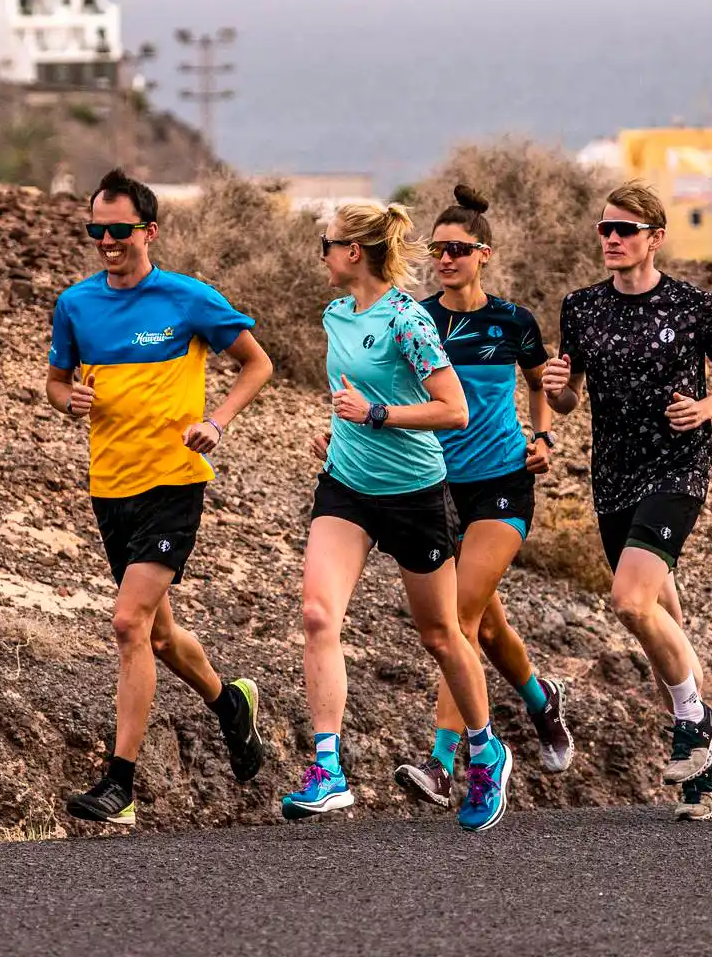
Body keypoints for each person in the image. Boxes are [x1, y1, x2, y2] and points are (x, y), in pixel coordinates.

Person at [46, 169, 276, 826]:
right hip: (110, 485)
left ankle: (120, 785)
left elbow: (258, 362)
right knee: (163, 635)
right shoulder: (76, 304)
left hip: (174, 480)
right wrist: (72, 401)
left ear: (149, 231)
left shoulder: (187, 298)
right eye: (97, 230)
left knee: (127, 624)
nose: (108, 241)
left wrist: (219, 420)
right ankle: (229, 702)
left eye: (120, 230)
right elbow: (56, 384)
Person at [286, 201, 515, 832]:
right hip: (348, 488)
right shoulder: (335, 315)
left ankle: (484, 747)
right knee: (316, 613)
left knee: (442, 635)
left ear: (353, 251)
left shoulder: (408, 321)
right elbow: (350, 397)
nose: (323, 256)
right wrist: (336, 432)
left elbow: (453, 409)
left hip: (415, 490)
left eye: (327, 245)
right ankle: (327, 770)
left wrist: (377, 416)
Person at [542, 182, 712, 820]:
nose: (611, 239)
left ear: (654, 238)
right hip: (612, 475)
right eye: (605, 229)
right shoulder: (580, 308)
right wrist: (556, 392)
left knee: (629, 602)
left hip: (678, 467)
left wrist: (707, 407)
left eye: (625, 230)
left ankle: (696, 721)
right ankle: (701, 777)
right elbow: (569, 397)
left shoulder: (694, 305)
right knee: (662, 620)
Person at [391, 185, 575, 810]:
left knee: (458, 619)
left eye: (458, 250)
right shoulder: (416, 321)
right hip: (436, 488)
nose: (445, 259)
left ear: (484, 254)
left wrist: (544, 433)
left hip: (502, 483)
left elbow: (539, 380)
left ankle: (445, 763)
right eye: (437, 249)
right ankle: (541, 701)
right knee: (489, 629)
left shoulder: (512, 321)